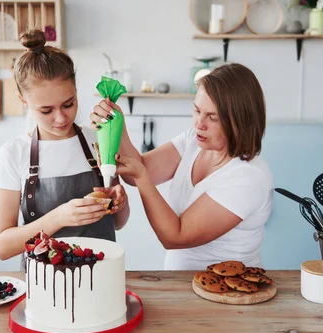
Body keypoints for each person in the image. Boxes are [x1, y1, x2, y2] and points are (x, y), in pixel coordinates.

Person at [90, 63, 273, 269]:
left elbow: (175, 237)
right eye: (197, 110)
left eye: (212, 117)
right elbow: (138, 171)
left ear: (240, 121)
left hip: (228, 292)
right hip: (183, 283)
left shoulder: (248, 176)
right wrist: (117, 125)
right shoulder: (194, 141)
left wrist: (142, 178)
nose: (199, 123)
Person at [0, 29, 129, 261]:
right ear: (24, 101)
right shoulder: (13, 153)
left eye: (69, 104)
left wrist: (119, 201)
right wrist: (59, 218)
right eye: (46, 110)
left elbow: (118, 223)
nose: (61, 118)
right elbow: (2, 247)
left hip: (101, 277)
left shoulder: (98, 139)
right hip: (44, 284)